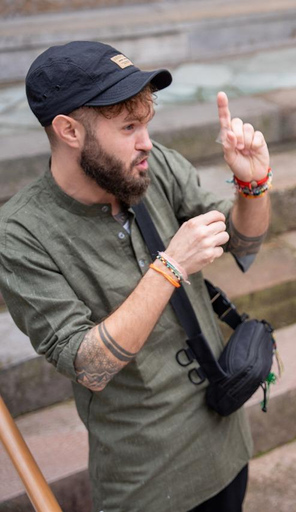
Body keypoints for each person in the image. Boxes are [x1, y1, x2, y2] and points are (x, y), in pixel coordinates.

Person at [0, 41, 271, 511]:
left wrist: (253, 185)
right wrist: (169, 267)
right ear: (68, 130)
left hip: (225, 440)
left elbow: (244, 242)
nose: (146, 140)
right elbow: (87, 364)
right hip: (145, 478)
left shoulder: (151, 164)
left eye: (145, 123)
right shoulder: (21, 234)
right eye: (128, 127)